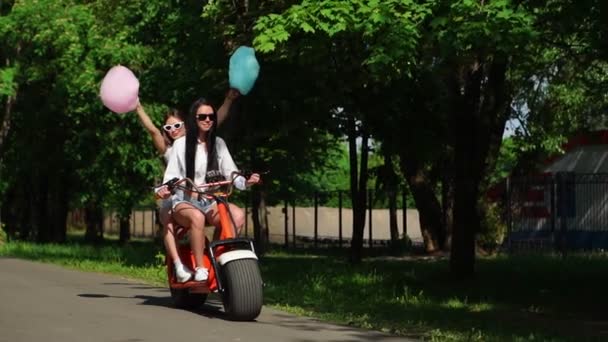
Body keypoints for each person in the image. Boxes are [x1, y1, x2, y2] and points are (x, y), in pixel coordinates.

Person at [136, 89, 241, 283]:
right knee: (167, 217)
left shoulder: (208, 142)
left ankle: (218, 258)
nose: (173, 130)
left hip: (202, 196)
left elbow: (214, 118)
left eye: (177, 125)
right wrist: (138, 108)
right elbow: (152, 130)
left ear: (186, 124)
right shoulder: (170, 148)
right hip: (175, 194)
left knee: (232, 215)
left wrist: (228, 100)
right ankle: (178, 264)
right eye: (168, 128)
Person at [156, 97, 259, 282]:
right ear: (193, 119)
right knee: (197, 217)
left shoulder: (218, 144)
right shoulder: (181, 145)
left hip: (210, 201)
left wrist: (247, 181)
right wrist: (166, 189)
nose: (207, 120)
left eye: (211, 116)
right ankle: (200, 267)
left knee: (237, 215)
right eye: (202, 116)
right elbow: (170, 177)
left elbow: (232, 174)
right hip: (184, 202)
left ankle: (218, 260)